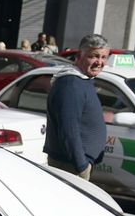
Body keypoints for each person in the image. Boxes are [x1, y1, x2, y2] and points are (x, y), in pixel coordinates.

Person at [44, 33, 110, 179]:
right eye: (94, 56)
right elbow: (68, 129)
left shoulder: (82, 80)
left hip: (76, 164)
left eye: (103, 57)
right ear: (79, 56)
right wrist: (81, 165)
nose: (99, 62)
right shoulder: (70, 84)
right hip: (70, 165)